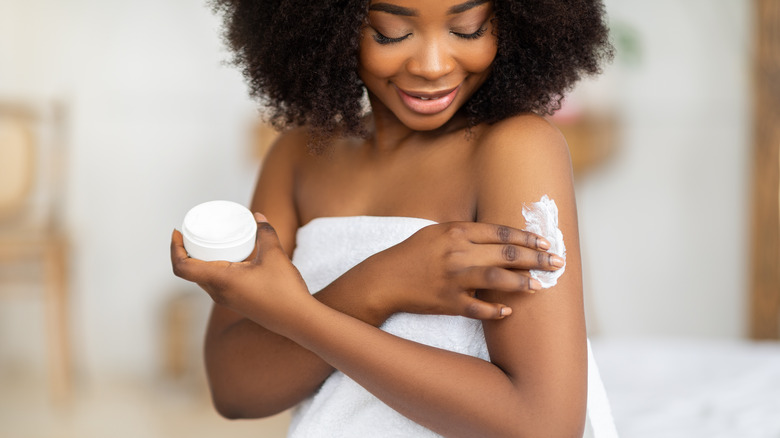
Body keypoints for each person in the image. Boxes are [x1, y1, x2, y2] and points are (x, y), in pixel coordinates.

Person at [171, 0, 615, 436]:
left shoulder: (516, 148)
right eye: (391, 32)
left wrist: (295, 313)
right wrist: (379, 283)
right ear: (333, 25)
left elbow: (544, 426)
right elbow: (235, 391)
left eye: (468, 28)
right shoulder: (299, 157)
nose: (432, 65)